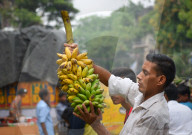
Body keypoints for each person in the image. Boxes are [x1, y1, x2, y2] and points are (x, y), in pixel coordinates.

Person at [65, 42, 176, 135]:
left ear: (160, 80)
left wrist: (95, 124)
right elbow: (111, 80)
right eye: (141, 70)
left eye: (145, 73)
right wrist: (81, 59)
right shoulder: (140, 95)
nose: (139, 76)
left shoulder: (153, 115)